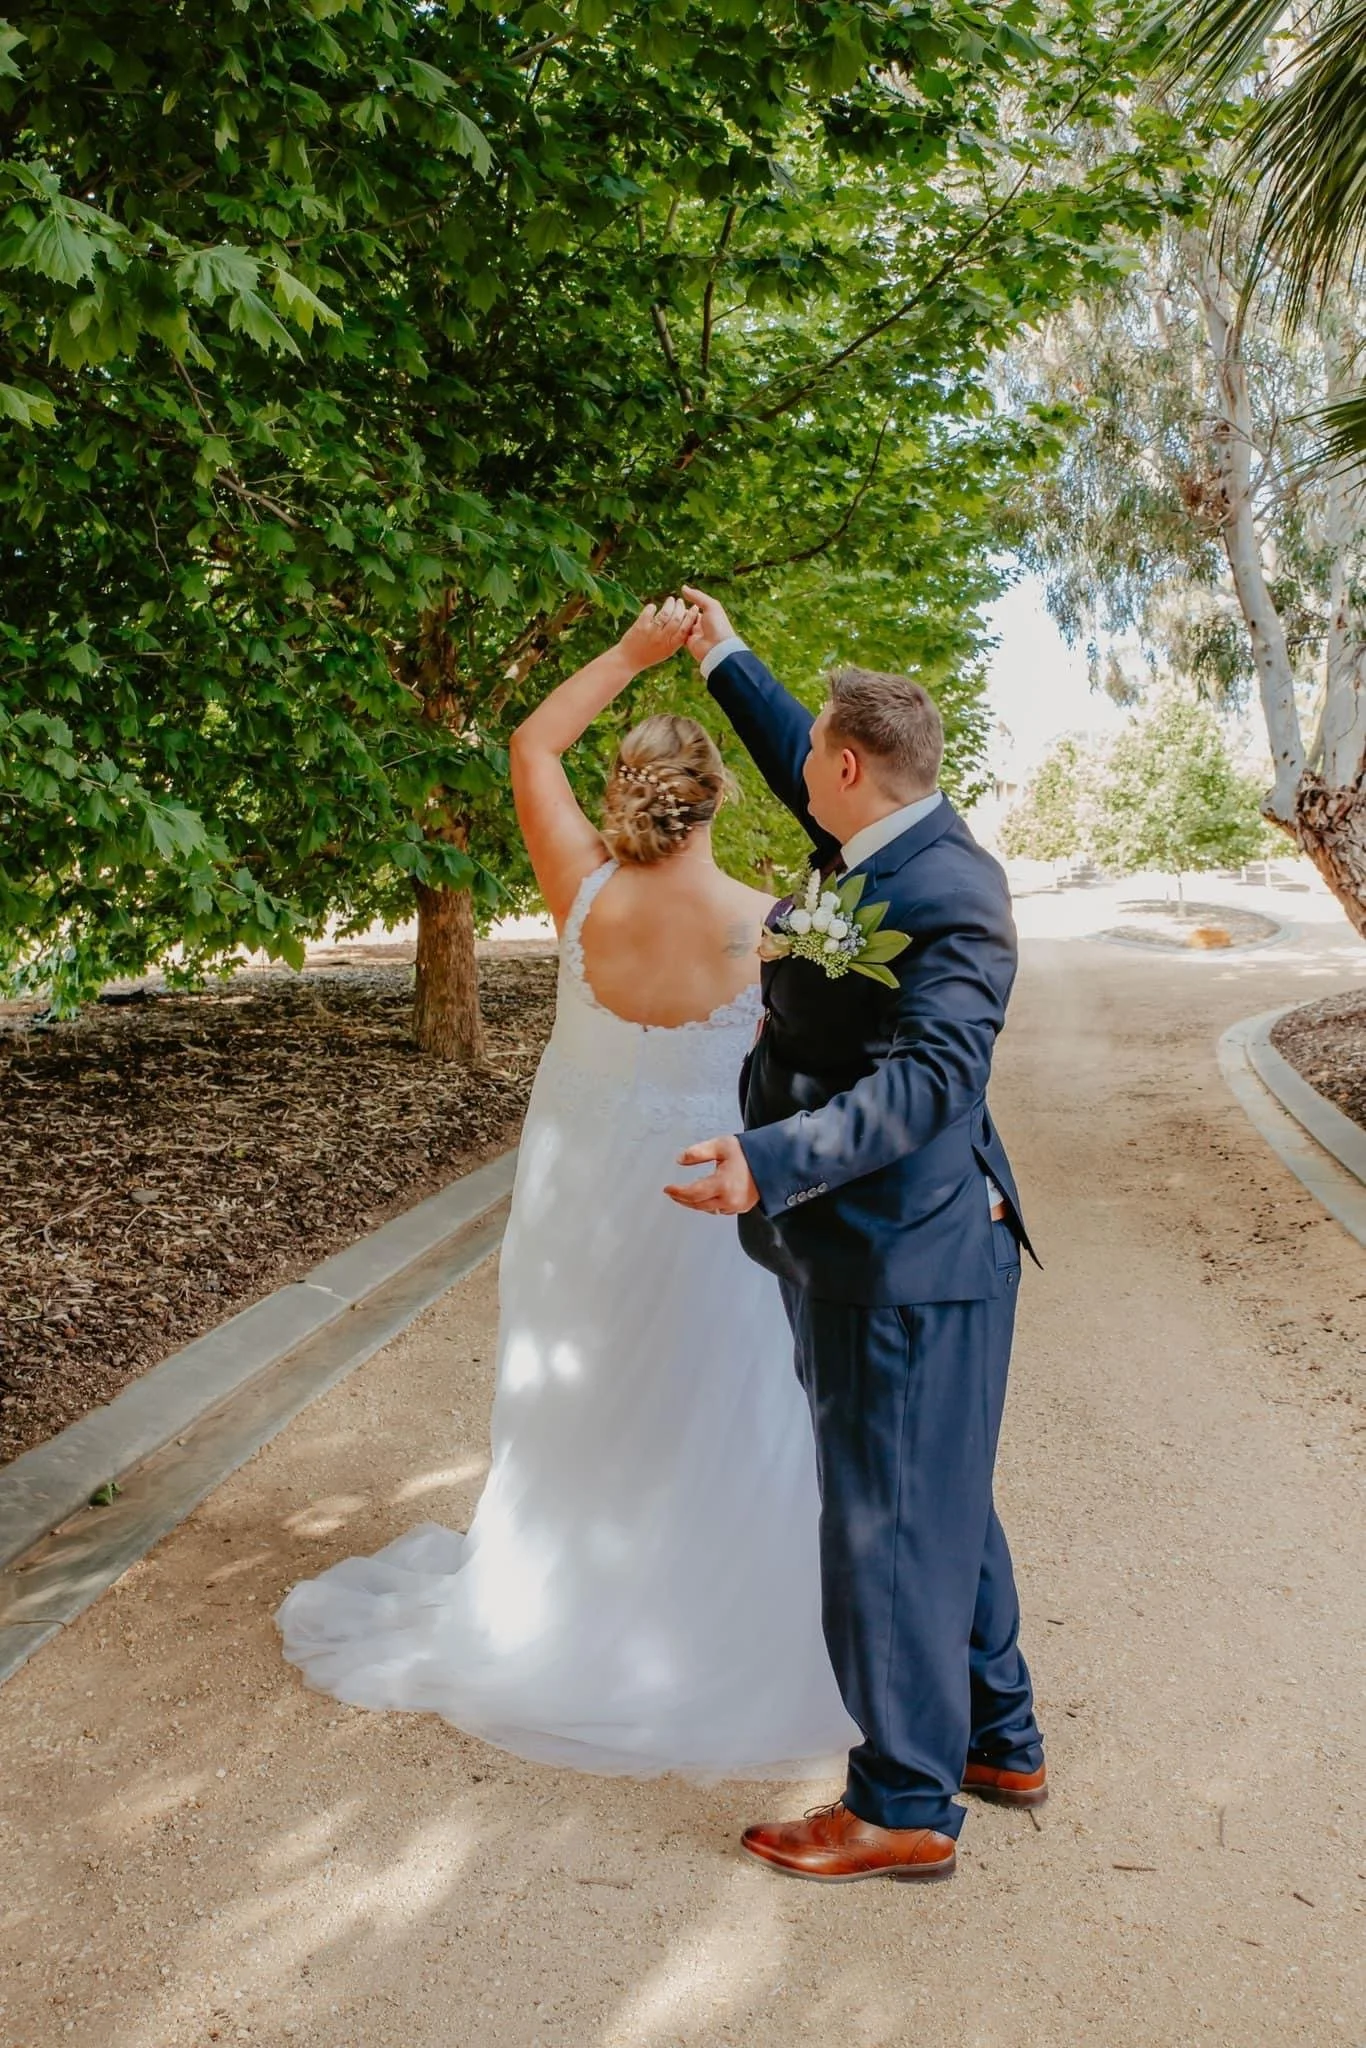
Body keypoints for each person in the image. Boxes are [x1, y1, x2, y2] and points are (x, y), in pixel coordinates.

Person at [275, 597, 856, 1780]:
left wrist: (635, 652)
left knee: (571, 1397)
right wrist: (722, 656)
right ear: (717, 799)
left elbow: (530, 744)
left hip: (576, 1188)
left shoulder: (578, 889)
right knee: (718, 1393)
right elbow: (843, 835)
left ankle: (562, 1606)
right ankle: (694, 1621)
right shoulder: (774, 926)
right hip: (710, 1190)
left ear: (627, 794)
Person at [664, 586, 1046, 1884]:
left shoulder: (950, 898)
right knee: (941, 1502)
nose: (798, 779)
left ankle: (901, 1804)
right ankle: (999, 1739)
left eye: (812, 761)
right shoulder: (880, 836)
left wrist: (768, 1162)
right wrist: (722, 654)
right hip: (899, 1249)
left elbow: (926, 1088)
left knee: (882, 1523)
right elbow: (794, 752)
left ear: (849, 769)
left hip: (898, 1257)